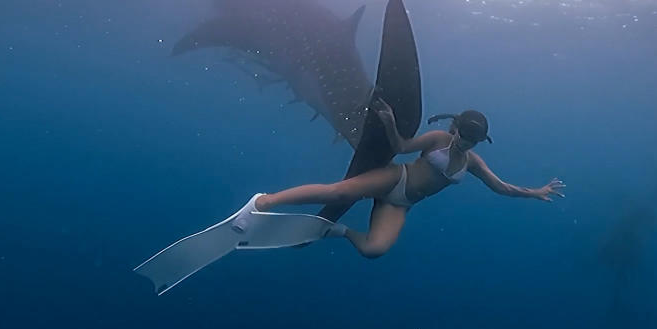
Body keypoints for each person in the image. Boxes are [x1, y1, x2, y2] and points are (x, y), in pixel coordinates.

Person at [232, 99, 566, 258]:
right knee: (337, 192)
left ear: (479, 142)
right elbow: (403, 146)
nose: (465, 142)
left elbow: (502, 187)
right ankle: (262, 202)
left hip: (401, 204)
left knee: (375, 250)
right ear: (456, 128)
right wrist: (390, 120)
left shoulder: (473, 162)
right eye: (464, 135)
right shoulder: (437, 139)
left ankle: (337, 231)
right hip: (393, 179)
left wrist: (535, 192)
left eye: (473, 140)